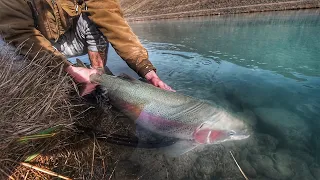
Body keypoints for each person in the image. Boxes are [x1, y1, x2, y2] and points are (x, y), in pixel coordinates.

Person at [0, 0, 174, 95]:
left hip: (65, 40)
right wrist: (67, 68)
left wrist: (146, 68)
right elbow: (20, 33)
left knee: (95, 20)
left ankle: (97, 78)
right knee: (7, 49)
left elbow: (110, 18)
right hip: (27, 41)